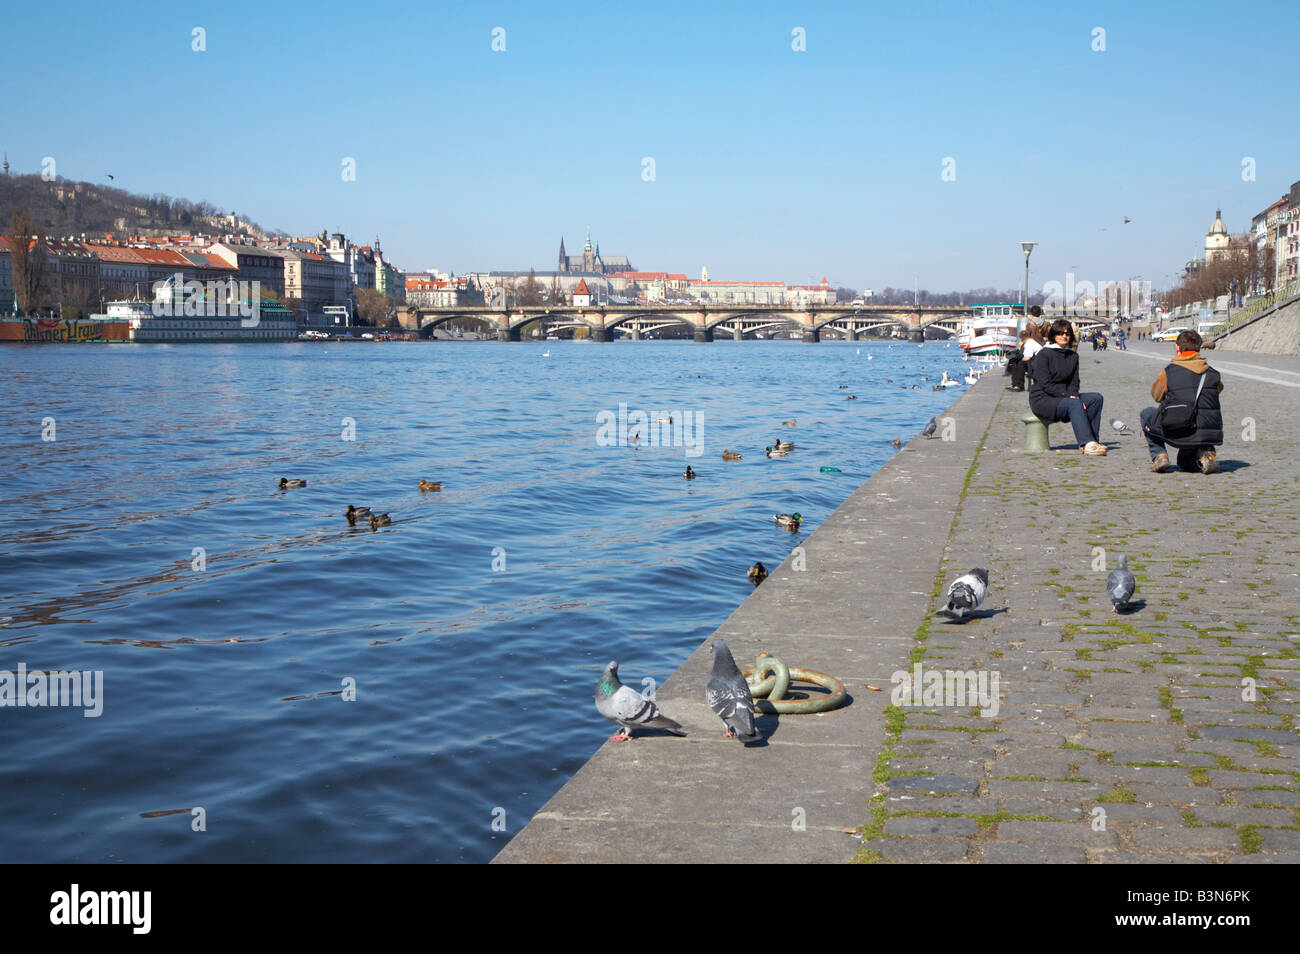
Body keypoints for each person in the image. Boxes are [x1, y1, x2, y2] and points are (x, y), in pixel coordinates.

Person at [1140, 329, 1223, 474]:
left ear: (1177, 348)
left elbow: (1156, 396)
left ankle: (1160, 455)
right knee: (1185, 464)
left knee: (1147, 414)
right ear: (1198, 348)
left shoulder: (1169, 372)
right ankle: (1204, 452)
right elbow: (1217, 391)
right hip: (1207, 434)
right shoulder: (1213, 374)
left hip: (1177, 428)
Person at [1028, 318, 1108, 455]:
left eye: (1067, 333)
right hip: (1043, 398)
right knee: (1074, 403)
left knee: (1096, 399)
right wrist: (1070, 397)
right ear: (1054, 335)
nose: (1064, 336)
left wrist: (1074, 395)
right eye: (1060, 333)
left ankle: (1093, 440)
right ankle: (1087, 443)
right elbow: (1044, 383)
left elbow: (1074, 382)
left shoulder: (1072, 356)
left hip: (1065, 397)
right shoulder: (1044, 354)